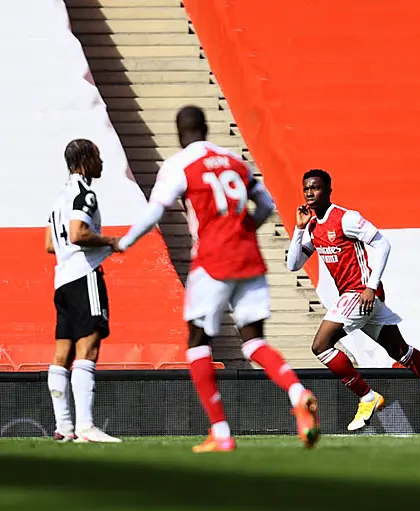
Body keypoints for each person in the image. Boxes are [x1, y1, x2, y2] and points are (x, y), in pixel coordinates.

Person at [117, 105, 319, 452]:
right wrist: (243, 231)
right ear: (207, 127)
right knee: (253, 341)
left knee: (197, 341)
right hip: (249, 257)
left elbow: (155, 211)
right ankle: (298, 393)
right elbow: (267, 205)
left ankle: (221, 433)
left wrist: (123, 242)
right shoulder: (234, 161)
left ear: (180, 133)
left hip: (212, 260)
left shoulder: (180, 164)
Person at [285, 169, 420, 433]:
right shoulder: (313, 227)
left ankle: (367, 397)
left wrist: (371, 286)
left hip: (359, 292)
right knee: (401, 352)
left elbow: (383, 244)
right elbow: (293, 264)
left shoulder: (346, 218)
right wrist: (299, 228)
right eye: (306, 189)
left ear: (328, 190)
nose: (309, 194)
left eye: (315, 188)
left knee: (321, 345)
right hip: (355, 298)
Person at [46, 138, 122, 443]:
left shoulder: (58, 199)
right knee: (88, 348)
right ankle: (87, 426)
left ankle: (63, 427)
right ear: (87, 159)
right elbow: (78, 234)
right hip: (84, 274)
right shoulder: (84, 194)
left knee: (61, 354)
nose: (101, 163)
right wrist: (110, 242)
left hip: (62, 279)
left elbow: (51, 244)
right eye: (99, 157)